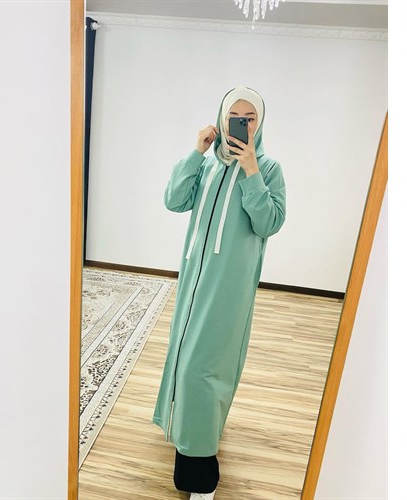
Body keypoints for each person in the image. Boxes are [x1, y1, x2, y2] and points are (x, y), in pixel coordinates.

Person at [152, 85, 286, 499]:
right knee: (183, 357)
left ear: (259, 123)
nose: (241, 124)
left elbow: (269, 223)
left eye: (250, 118)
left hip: (228, 287)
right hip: (193, 280)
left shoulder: (269, 168)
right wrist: (196, 152)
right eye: (234, 117)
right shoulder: (209, 165)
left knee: (205, 369)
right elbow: (174, 200)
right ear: (222, 118)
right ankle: (188, 430)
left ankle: (201, 478)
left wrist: (251, 172)